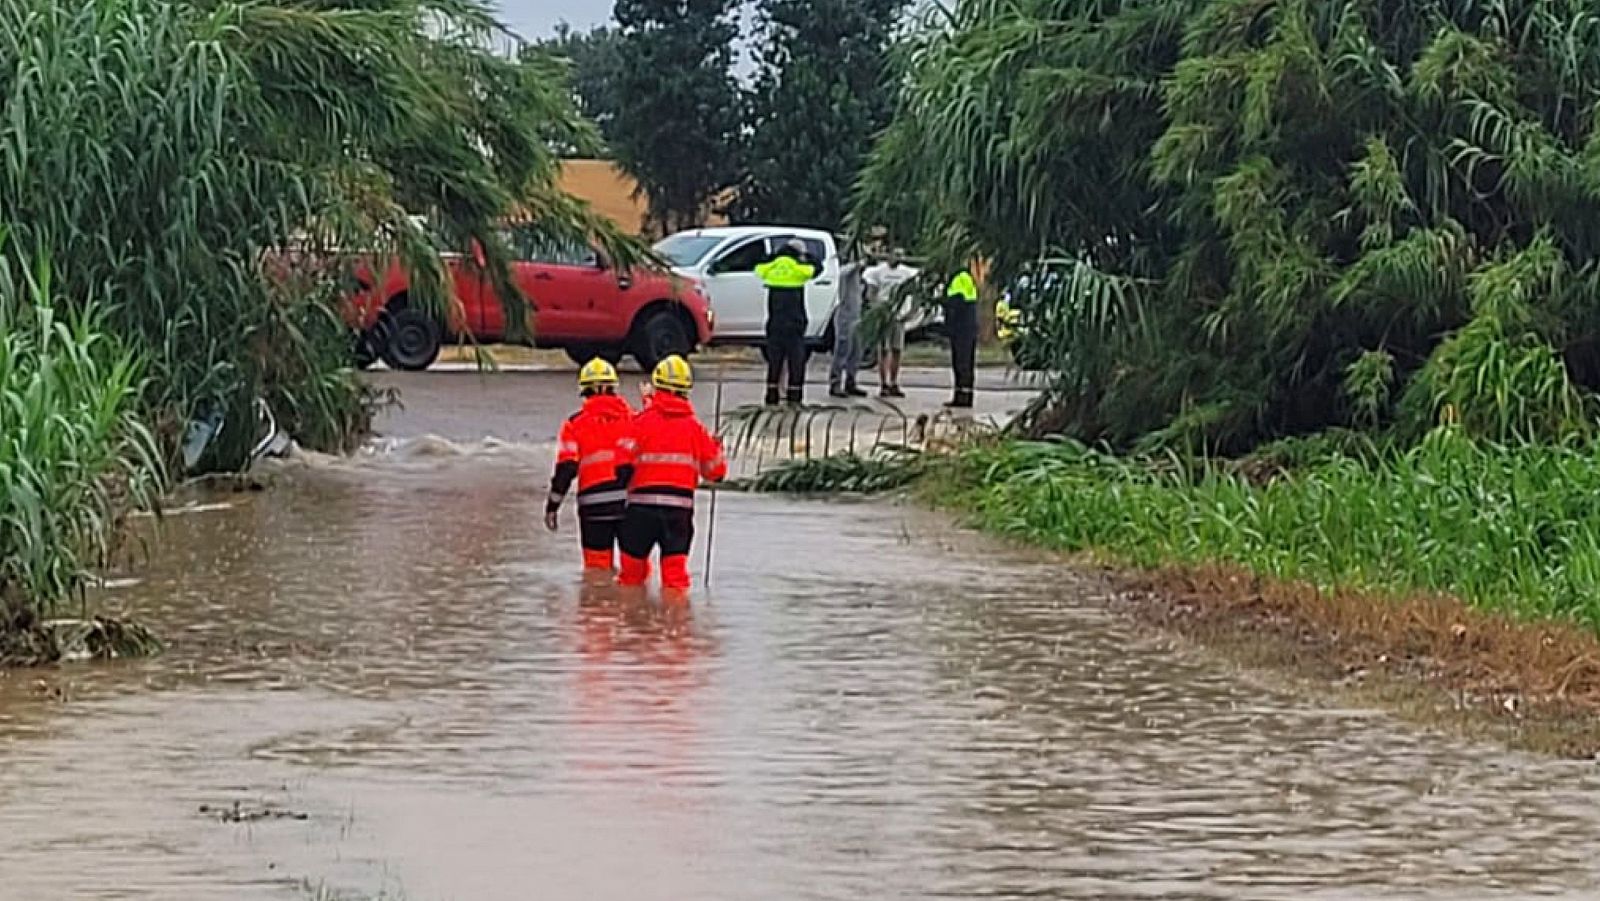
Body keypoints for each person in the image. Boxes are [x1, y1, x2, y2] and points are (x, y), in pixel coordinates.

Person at [614, 355, 728, 593]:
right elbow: (716, 473)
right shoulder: (696, 429)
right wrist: (717, 448)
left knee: (631, 579)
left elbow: (620, 464)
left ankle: (631, 624)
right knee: (675, 580)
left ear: (656, 386)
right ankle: (676, 625)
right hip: (678, 513)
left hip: (640, 512)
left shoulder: (640, 422)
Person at [546, 358, 636, 571]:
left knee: (597, 574)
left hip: (594, 507)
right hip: (631, 505)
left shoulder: (574, 424)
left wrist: (553, 505)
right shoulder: (634, 419)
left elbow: (566, 469)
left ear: (585, 390)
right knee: (633, 572)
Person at [755, 239, 819, 406]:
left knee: (774, 362)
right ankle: (794, 395)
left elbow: (759, 266)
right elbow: (817, 268)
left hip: (775, 322)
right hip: (795, 323)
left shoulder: (771, 268)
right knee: (796, 362)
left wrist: (773, 257)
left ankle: (771, 394)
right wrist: (807, 257)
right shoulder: (799, 270)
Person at [862, 249, 917, 398]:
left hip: (899, 315)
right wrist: (876, 310)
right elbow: (871, 293)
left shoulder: (906, 273)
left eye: (901, 255)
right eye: (895, 254)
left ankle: (894, 382)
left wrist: (911, 311)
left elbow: (913, 293)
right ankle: (883, 383)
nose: (898, 257)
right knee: (884, 350)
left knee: (897, 349)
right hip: (883, 315)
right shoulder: (878, 272)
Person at [829, 255, 868, 398]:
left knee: (856, 351)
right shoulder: (846, 273)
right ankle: (835, 382)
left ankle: (851, 381)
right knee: (842, 350)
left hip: (857, 316)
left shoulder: (859, 278)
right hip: (845, 315)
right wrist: (857, 264)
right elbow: (843, 272)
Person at [944, 266, 980, 409]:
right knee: (965, 363)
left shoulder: (959, 279)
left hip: (962, 328)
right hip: (967, 327)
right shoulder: (965, 278)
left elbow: (955, 304)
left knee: (962, 363)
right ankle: (963, 395)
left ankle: (962, 397)